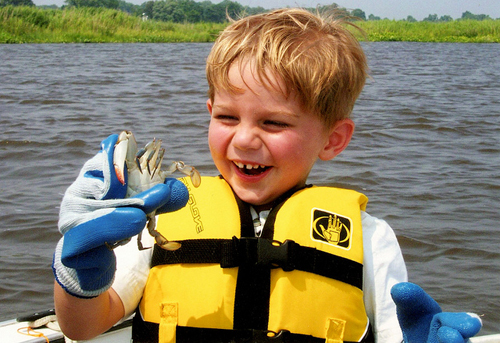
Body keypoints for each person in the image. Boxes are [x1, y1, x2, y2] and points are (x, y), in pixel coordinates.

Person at [52, 8, 482, 343]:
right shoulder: (160, 217)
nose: (243, 140)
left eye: (274, 123)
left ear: (333, 139)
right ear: (208, 114)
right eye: (226, 116)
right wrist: (79, 276)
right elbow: (83, 327)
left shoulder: (371, 238)